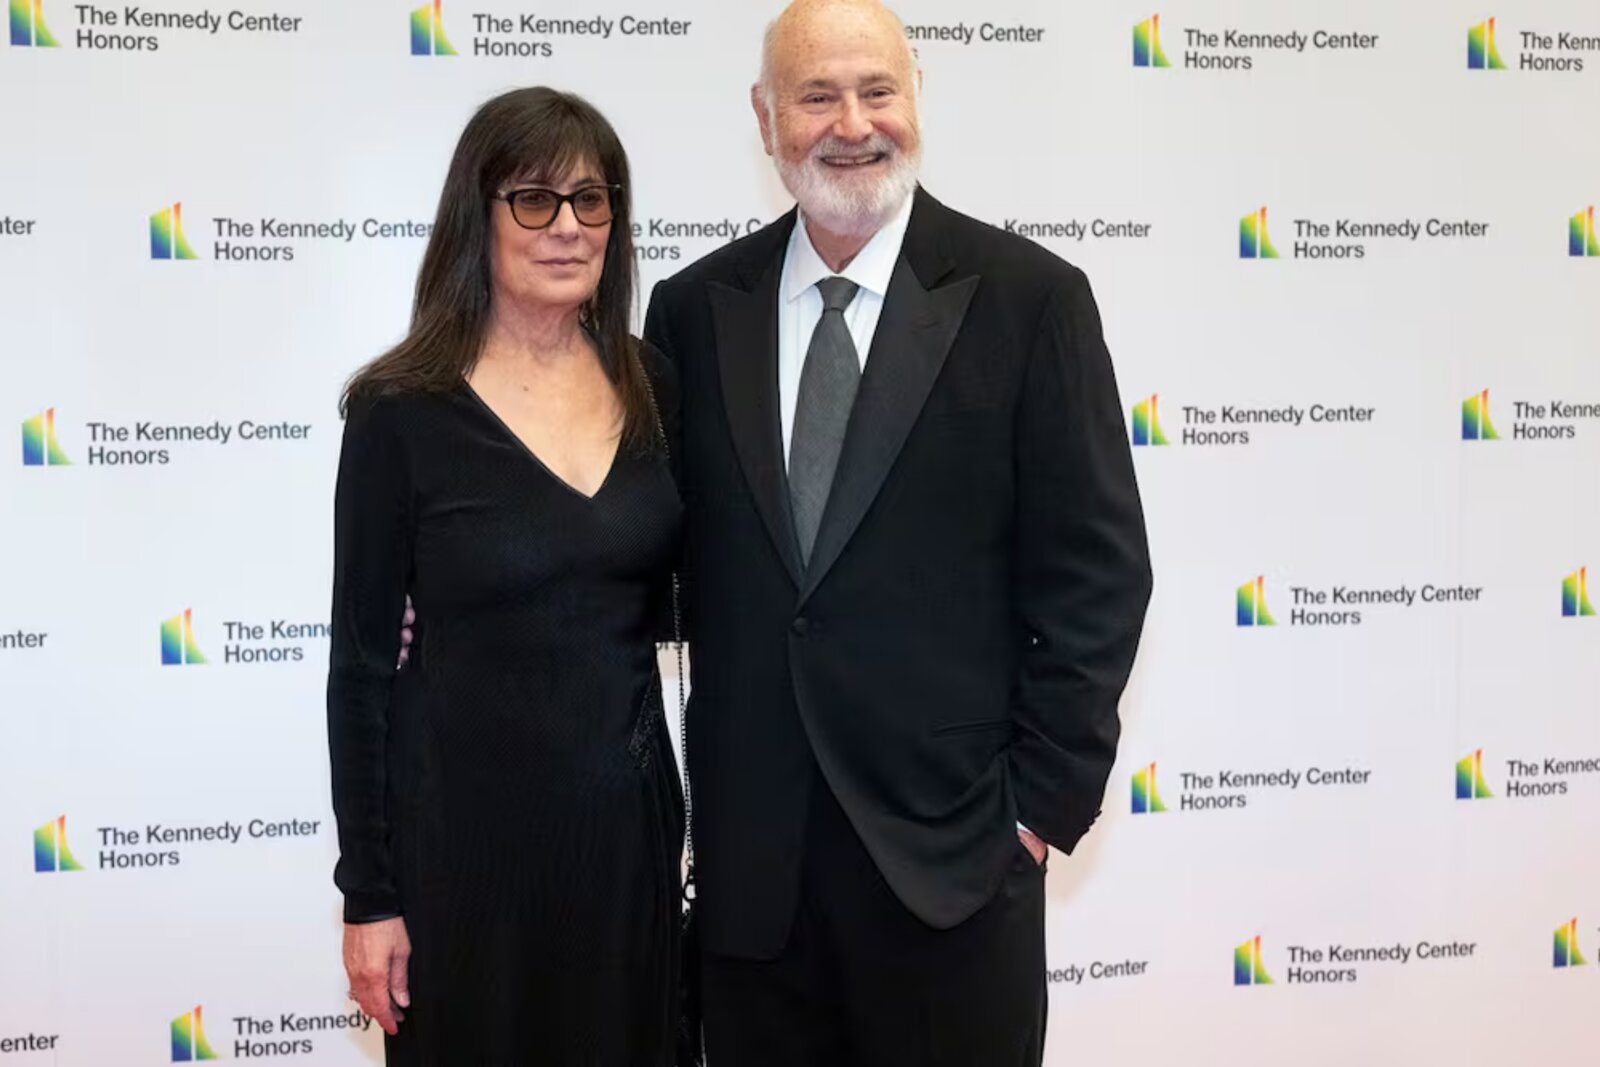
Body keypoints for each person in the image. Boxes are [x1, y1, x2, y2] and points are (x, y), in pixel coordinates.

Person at [640, 1, 1153, 1063]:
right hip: (754, 891)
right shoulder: (692, 312)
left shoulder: (1031, 302)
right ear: (764, 116)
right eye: (817, 95)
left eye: (877, 90)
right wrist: (463, 599)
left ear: (917, 96)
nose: (852, 123)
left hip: (953, 876)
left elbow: (1098, 576)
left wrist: (1033, 814)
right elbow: (656, 557)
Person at [326, 87, 682, 1066]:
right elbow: (360, 672)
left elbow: (678, 593)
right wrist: (370, 895)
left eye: (591, 199)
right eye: (534, 199)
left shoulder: (656, 386)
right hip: (460, 856)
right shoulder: (401, 410)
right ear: (475, 215)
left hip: (624, 842)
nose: (568, 226)